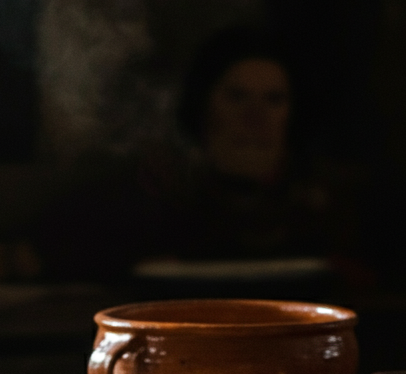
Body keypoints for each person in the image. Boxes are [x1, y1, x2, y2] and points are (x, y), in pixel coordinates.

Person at [37, 25, 370, 295]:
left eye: (274, 100)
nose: (255, 117)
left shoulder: (327, 197)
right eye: (236, 97)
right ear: (204, 106)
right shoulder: (161, 185)